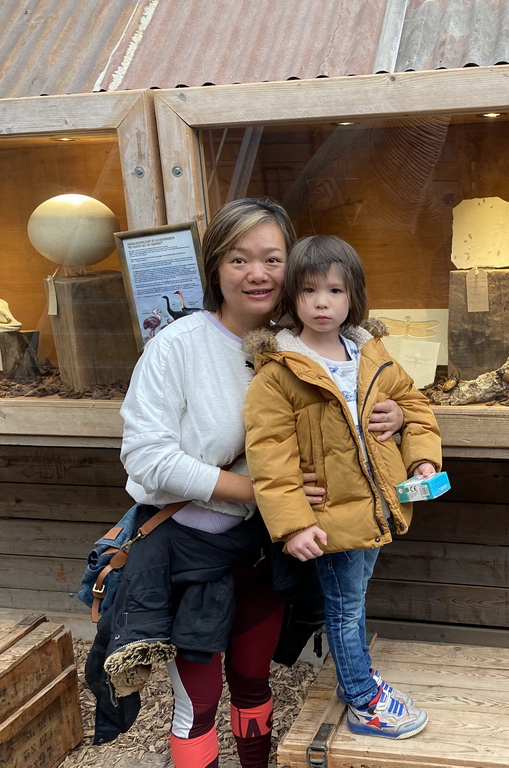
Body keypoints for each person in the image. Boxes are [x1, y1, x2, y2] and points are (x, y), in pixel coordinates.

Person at [91, 198, 406, 768]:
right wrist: (261, 492)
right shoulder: (179, 345)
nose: (257, 273)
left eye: (272, 258)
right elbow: (146, 459)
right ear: (215, 267)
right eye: (239, 259)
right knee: (200, 698)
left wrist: (394, 415)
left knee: (255, 680)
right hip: (196, 550)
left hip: (271, 550)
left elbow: (377, 402)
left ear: (296, 267)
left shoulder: (315, 342)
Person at [243, 235, 443, 740]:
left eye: (334, 290)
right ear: (292, 298)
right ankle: (362, 699)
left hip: (377, 508)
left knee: (350, 601)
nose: (322, 303)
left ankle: (357, 675)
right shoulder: (279, 372)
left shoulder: (369, 352)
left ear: (353, 295)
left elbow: (414, 406)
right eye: (309, 291)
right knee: (345, 606)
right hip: (328, 519)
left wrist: (419, 455)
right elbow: (270, 456)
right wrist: (292, 524)